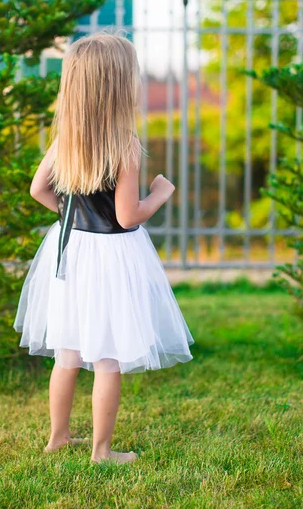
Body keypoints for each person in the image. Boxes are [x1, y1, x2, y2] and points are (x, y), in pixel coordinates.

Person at [13, 32, 194, 465]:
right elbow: (128, 216)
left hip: (70, 251)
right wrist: (160, 194)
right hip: (111, 258)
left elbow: (38, 189)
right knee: (108, 357)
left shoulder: (66, 140)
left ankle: (58, 438)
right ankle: (102, 451)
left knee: (68, 354)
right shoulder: (124, 146)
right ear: (119, 85)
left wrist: (69, 219)